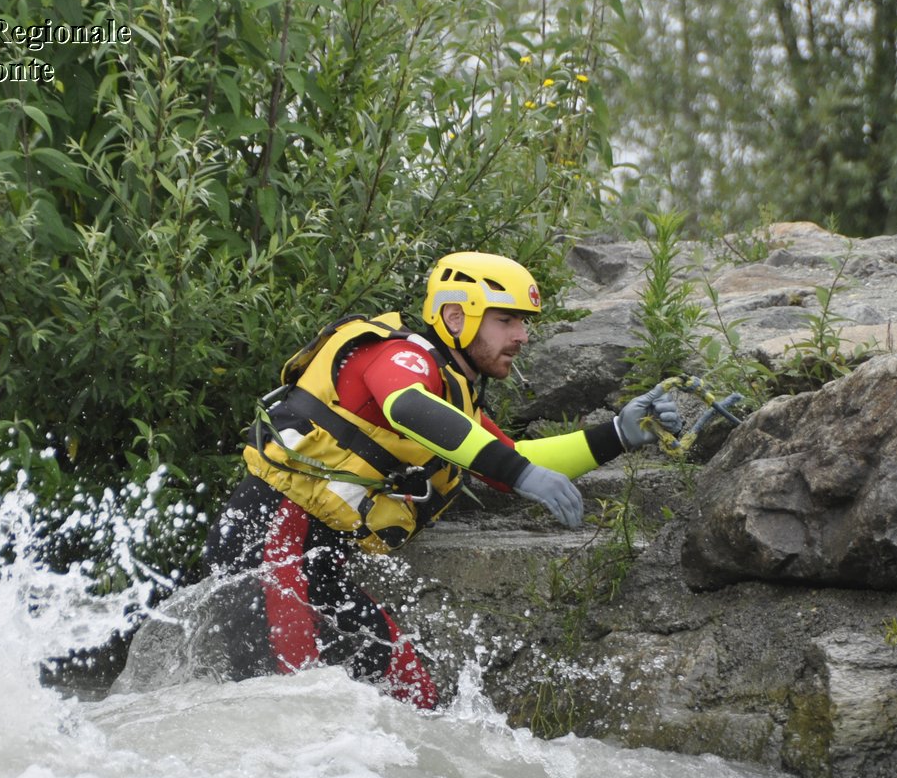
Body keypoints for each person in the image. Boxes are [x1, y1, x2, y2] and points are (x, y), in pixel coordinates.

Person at [201, 251, 681, 709]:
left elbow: (512, 458)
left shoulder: (453, 396)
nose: (522, 336)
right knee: (279, 708)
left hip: (315, 562)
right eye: (506, 320)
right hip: (269, 540)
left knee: (413, 696)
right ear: (456, 317)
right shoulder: (401, 358)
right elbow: (406, 407)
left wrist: (618, 434)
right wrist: (521, 474)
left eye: (523, 323)